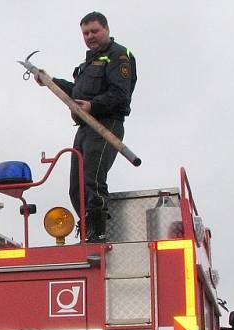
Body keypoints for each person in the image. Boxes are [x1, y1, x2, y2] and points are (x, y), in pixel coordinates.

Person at [37, 11, 137, 242]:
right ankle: (86, 227)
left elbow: (121, 96)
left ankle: (98, 230)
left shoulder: (119, 56)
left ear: (107, 30)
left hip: (106, 126)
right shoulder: (88, 62)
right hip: (85, 128)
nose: (90, 36)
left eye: (94, 31)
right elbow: (77, 93)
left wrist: (93, 105)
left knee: (92, 178)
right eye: (85, 33)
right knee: (76, 186)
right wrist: (51, 82)